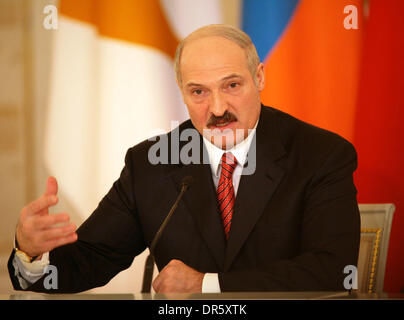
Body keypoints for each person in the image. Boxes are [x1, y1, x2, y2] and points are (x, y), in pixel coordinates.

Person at [8, 24, 360, 293]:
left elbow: (333, 272)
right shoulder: (151, 164)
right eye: (199, 92)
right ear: (182, 91)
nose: (218, 108)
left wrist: (207, 285)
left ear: (259, 77)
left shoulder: (321, 155)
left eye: (232, 86)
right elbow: (89, 262)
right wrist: (30, 254)